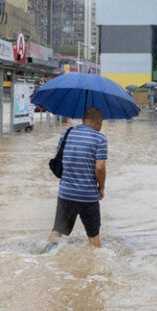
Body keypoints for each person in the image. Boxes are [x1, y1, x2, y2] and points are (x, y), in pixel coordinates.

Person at [47, 107, 108, 250]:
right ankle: (95, 268)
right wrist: (102, 187)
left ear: (83, 120)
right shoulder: (100, 139)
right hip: (88, 195)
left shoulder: (66, 134)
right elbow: (99, 168)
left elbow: (62, 159)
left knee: (57, 231)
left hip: (66, 193)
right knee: (93, 236)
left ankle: (47, 257)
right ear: (98, 122)